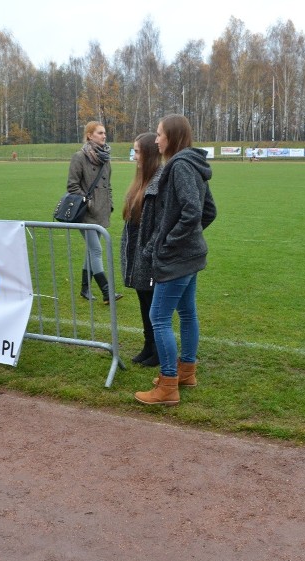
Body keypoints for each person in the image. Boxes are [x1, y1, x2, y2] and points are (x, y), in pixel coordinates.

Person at [134, 114, 217, 406]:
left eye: (159, 134)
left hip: (178, 258)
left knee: (159, 317)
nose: (155, 140)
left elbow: (194, 212)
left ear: (172, 136)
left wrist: (170, 244)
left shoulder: (180, 166)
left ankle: (168, 384)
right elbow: (209, 212)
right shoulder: (193, 165)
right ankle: (187, 371)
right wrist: (190, 239)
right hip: (190, 254)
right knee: (187, 313)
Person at [66, 120, 121, 304]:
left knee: (92, 251)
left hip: (102, 212)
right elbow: (72, 186)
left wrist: (110, 203)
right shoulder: (79, 157)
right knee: (96, 250)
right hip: (86, 214)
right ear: (89, 135)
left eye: (104, 133)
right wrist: (88, 203)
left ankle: (85, 289)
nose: (104, 136)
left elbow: (109, 186)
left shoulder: (105, 158)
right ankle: (107, 291)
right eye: (99, 133)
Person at [120, 133, 163, 367]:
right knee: (143, 301)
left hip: (148, 255)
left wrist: (148, 250)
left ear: (148, 153)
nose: (134, 155)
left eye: (137, 151)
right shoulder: (141, 180)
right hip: (136, 253)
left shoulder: (158, 180)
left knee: (153, 304)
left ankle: (157, 349)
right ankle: (148, 345)